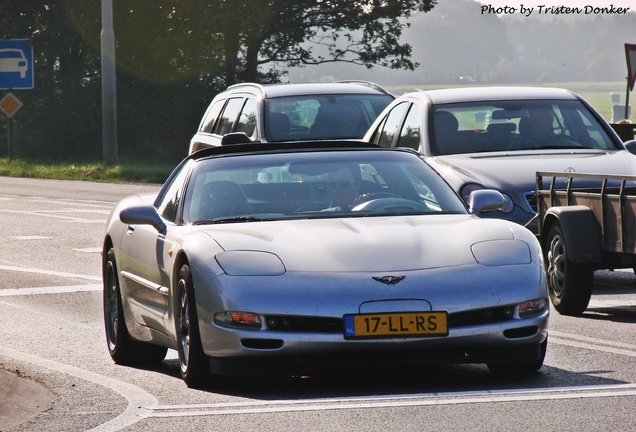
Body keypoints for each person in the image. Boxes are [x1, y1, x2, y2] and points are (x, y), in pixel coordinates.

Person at [510, 107, 579, 149]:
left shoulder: (567, 145)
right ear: (529, 121)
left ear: (551, 118)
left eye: (542, 118)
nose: (539, 123)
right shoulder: (518, 145)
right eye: (534, 120)